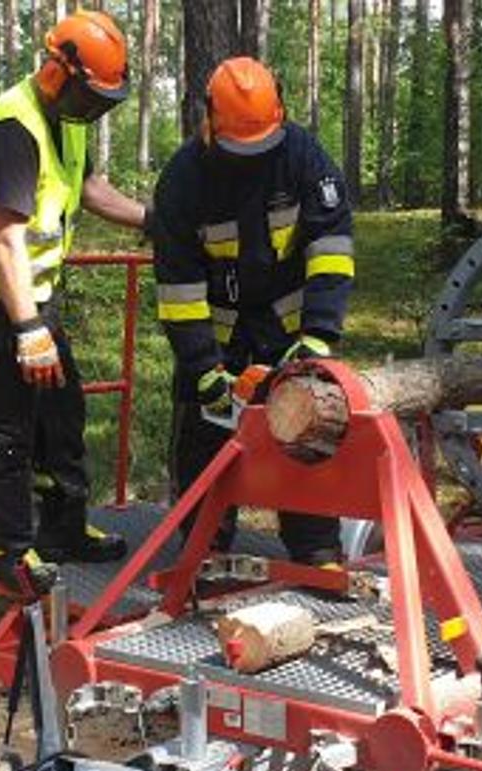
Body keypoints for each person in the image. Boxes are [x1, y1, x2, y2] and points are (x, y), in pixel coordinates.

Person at [0, 10, 147, 599]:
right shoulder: (10, 127)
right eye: (90, 95)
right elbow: (5, 242)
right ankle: (6, 548)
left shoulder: (67, 121)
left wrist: (153, 221)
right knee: (9, 415)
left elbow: (91, 188)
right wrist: (28, 330)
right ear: (58, 72)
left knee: (62, 402)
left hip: (28, 289)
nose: (95, 109)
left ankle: (62, 528)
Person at [148, 57, 357, 566]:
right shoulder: (183, 181)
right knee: (203, 443)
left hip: (289, 330)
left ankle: (316, 551)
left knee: (308, 435)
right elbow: (179, 288)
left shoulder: (304, 158)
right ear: (208, 121)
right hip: (216, 333)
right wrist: (201, 367)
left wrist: (319, 335)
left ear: (281, 112)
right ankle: (205, 551)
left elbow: (331, 248)